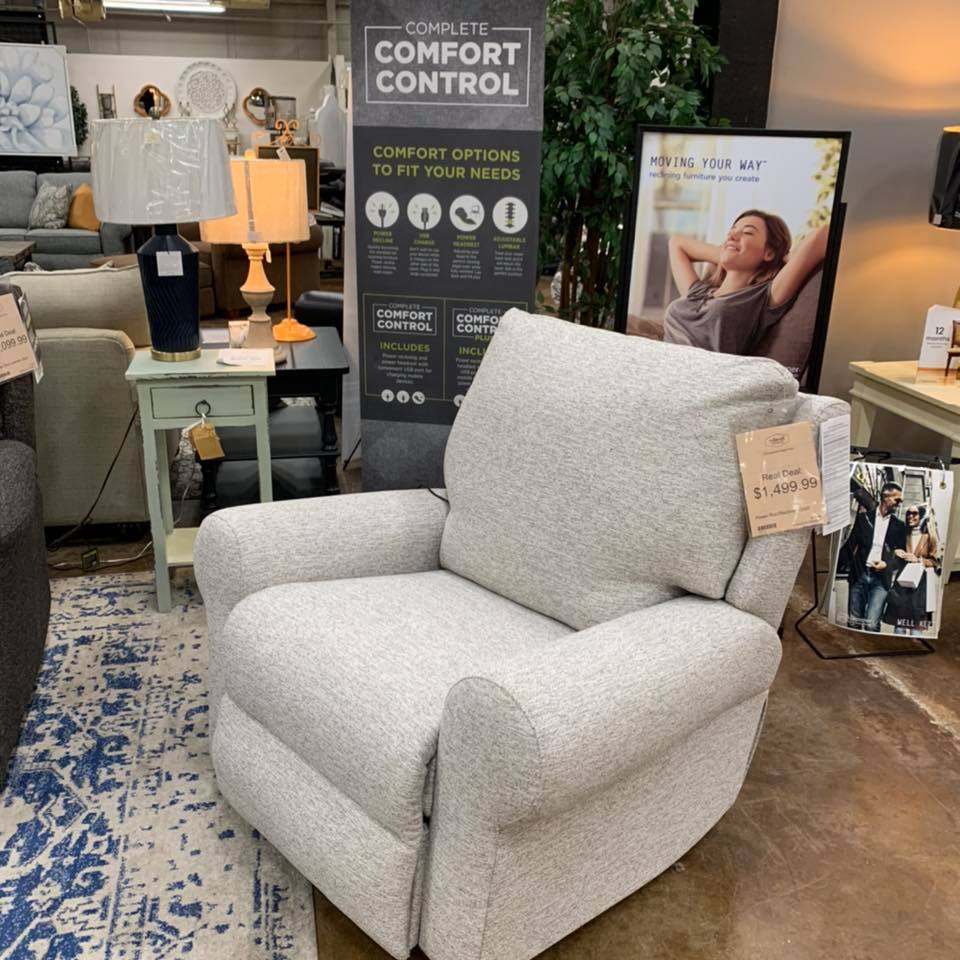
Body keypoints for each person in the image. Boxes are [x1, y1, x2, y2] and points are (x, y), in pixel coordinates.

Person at [664, 210, 829, 355]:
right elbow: (677, 243)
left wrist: (781, 259)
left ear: (769, 253)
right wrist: (727, 252)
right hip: (662, 362)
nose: (732, 236)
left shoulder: (763, 297)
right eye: (732, 231)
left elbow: (824, 235)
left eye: (748, 233)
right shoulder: (698, 291)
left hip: (696, 373)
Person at [841, 480, 907, 632]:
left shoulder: (899, 526)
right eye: (897, 499)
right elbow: (851, 545)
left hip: (881, 580)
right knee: (854, 621)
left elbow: (901, 555)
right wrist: (834, 570)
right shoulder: (864, 519)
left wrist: (887, 564)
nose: (899, 503)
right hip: (860, 574)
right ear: (885, 497)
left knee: (872, 624)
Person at [881, 504, 938, 635]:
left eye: (914, 513)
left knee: (916, 630)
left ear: (922, 516)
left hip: (920, 586)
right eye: (908, 513)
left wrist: (918, 560)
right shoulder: (903, 535)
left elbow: (935, 562)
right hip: (902, 584)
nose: (910, 516)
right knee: (899, 627)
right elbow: (894, 562)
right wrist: (896, 553)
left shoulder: (930, 537)